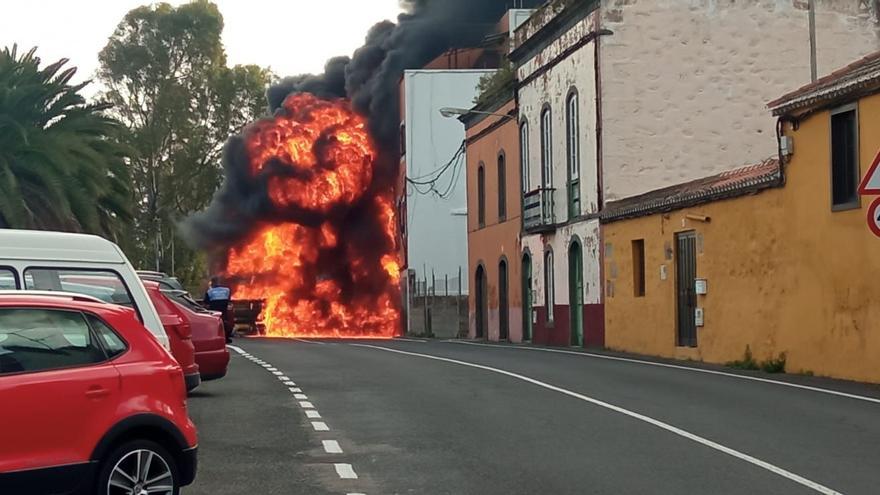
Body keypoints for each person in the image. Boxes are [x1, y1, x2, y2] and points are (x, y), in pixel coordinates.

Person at [204, 277, 234, 343]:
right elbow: (229, 300)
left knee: (214, 324)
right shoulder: (227, 290)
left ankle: (214, 337)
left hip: (214, 311)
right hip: (223, 310)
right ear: (219, 282)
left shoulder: (209, 291)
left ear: (212, 283)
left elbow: (206, 302)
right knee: (225, 322)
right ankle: (226, 338)